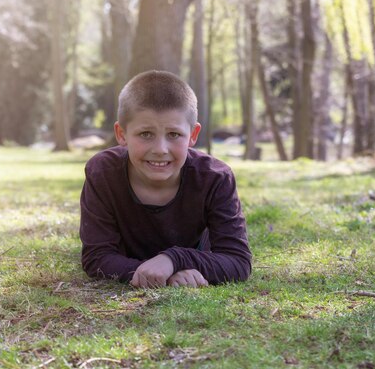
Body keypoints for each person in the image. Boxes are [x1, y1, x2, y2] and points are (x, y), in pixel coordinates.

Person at [79, 70, 251, 288]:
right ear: (121, 134)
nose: (160, 149)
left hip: (193, 259)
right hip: (141, 264)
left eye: (174, 134)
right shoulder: (102, 172)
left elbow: (238, 262)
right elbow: (97, 258)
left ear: (193, 135)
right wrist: (160, 276)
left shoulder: (215, 178)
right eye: (145, 134)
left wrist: (174, 259)